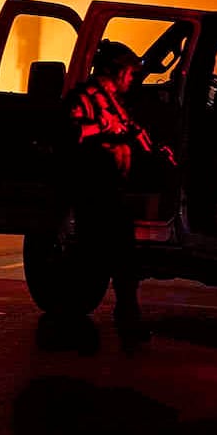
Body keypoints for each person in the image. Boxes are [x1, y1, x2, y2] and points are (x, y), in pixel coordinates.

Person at [65, 39, 154, 351]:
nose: (132, 80)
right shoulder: (86, 98)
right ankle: (76, 317)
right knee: (96, 256)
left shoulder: (115, 100)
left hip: (114, 188)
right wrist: (102, 125)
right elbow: (69, 132)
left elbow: (129, 131)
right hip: (94, 189)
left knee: (123, 256)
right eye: (129, 73)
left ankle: (126, 314)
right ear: (115, 71)